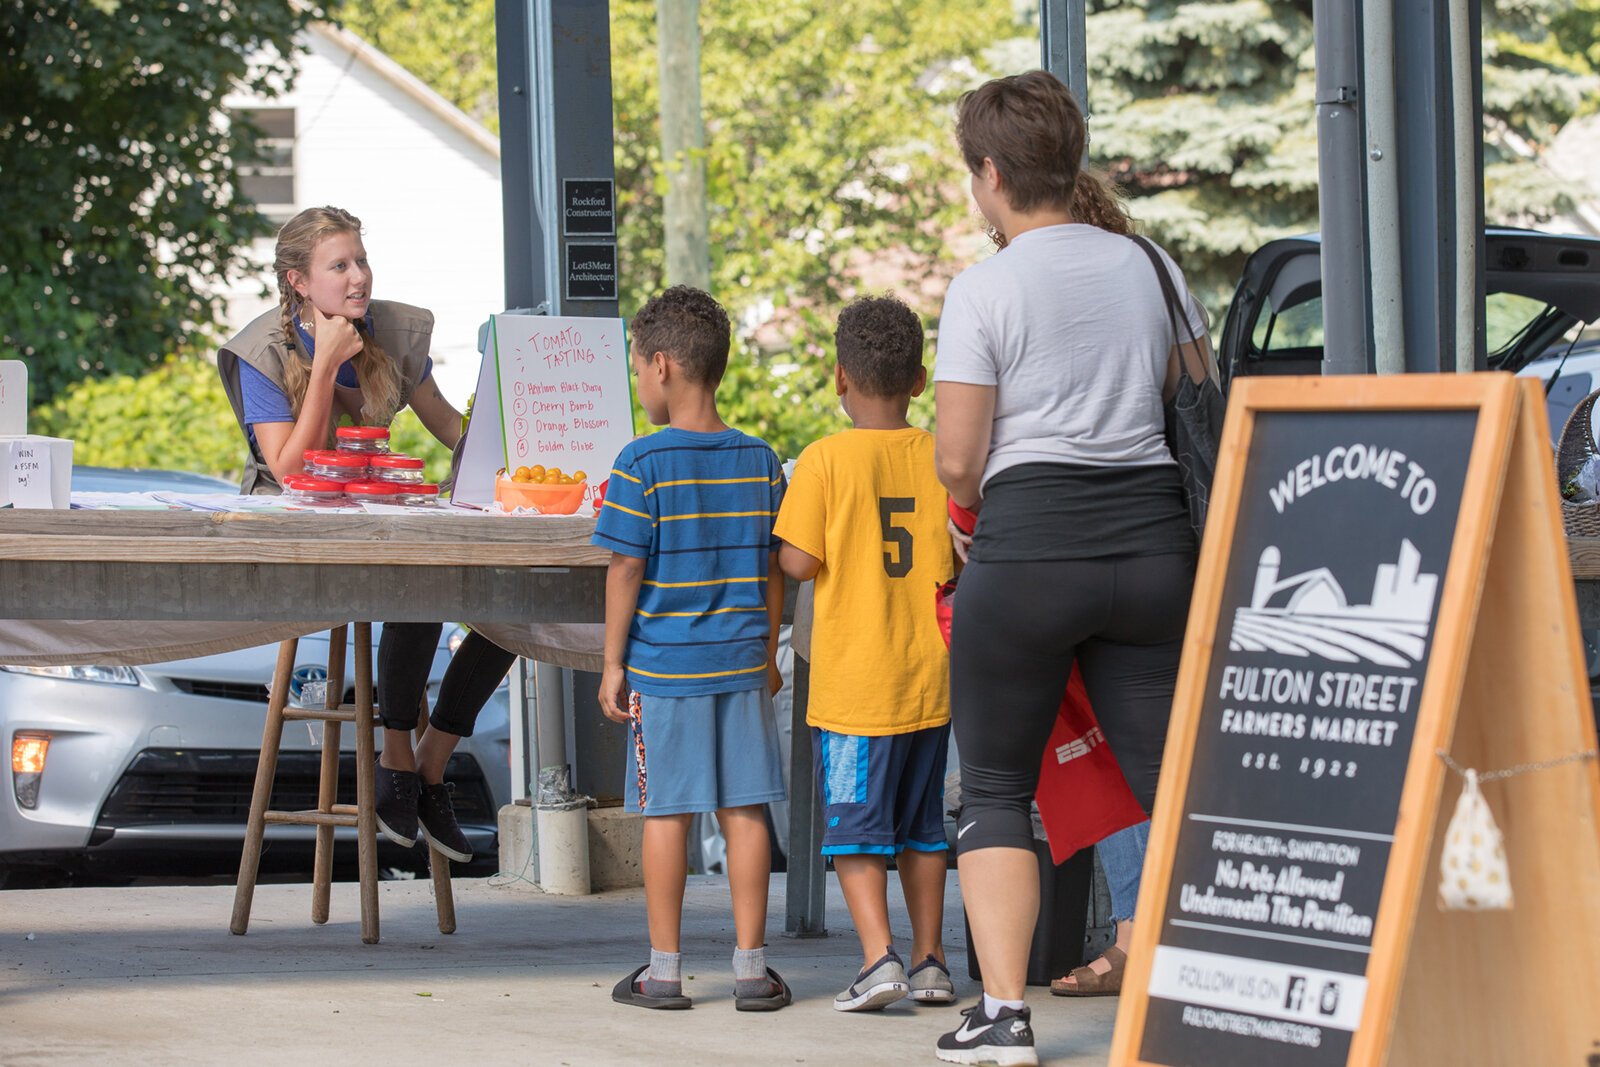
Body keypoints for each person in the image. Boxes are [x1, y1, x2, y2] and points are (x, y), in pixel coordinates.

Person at [931, 71, 1207, 1066]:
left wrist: (968, 511)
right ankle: (1205, 994)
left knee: (999, 786)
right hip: (1149, 551)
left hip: (1029, 552)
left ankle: (1002, 1016)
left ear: (993, 173)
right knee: (1170, 779)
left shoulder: (988, 285)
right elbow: (1191, 391)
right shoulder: (1150, 265)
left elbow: (960, 457)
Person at [216, 205, 516, 864]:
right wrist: (324, 367)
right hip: (297, 534)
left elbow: (447, 427)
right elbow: (291, 472)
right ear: (298, 280)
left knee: (510, 594)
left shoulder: (393, 330)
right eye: (339, 266)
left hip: (379, 521)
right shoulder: (261, 350)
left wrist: (513, 465)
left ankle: (424, 759)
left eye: (361, 260)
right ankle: (398, 754)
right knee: (420, 575)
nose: (358, 277)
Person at [593, 285, 792, 1013]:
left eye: (638, 364)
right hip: (742, 664)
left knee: (667, 814)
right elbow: (774, 572)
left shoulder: (639, 463)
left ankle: (665, 970)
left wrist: (614, 663)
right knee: (746, 810)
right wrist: (768, 652)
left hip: (664, 667)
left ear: (666, 365)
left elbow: (624, 567)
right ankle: (750, 967)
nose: (638, 377)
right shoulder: (761, 461)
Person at [773, 295, 957, 1013]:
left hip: (855, 687)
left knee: (853, 829)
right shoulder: (941, 456)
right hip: (928, 679)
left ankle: (877, 957)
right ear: (919, 380)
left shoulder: (823, 460)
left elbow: (795, 562)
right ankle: (932, 958)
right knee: (922, 827)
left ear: (839, 377)